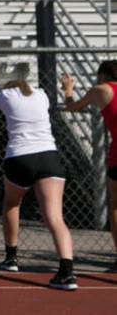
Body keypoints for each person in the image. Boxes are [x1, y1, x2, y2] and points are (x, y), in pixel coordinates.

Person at [0, 78, 76, 290]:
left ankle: (11, 258)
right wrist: (68, 89)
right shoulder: (42, 95)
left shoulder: (6, 95)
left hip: (20, 157)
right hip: (49, 156)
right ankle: (67, 273)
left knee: (12, 203)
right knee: (55, 218)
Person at [62, 61, 117, 268]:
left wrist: (68, 90)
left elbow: (72, 106)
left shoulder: (101, 90)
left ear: (102, 76)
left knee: (115, 206)